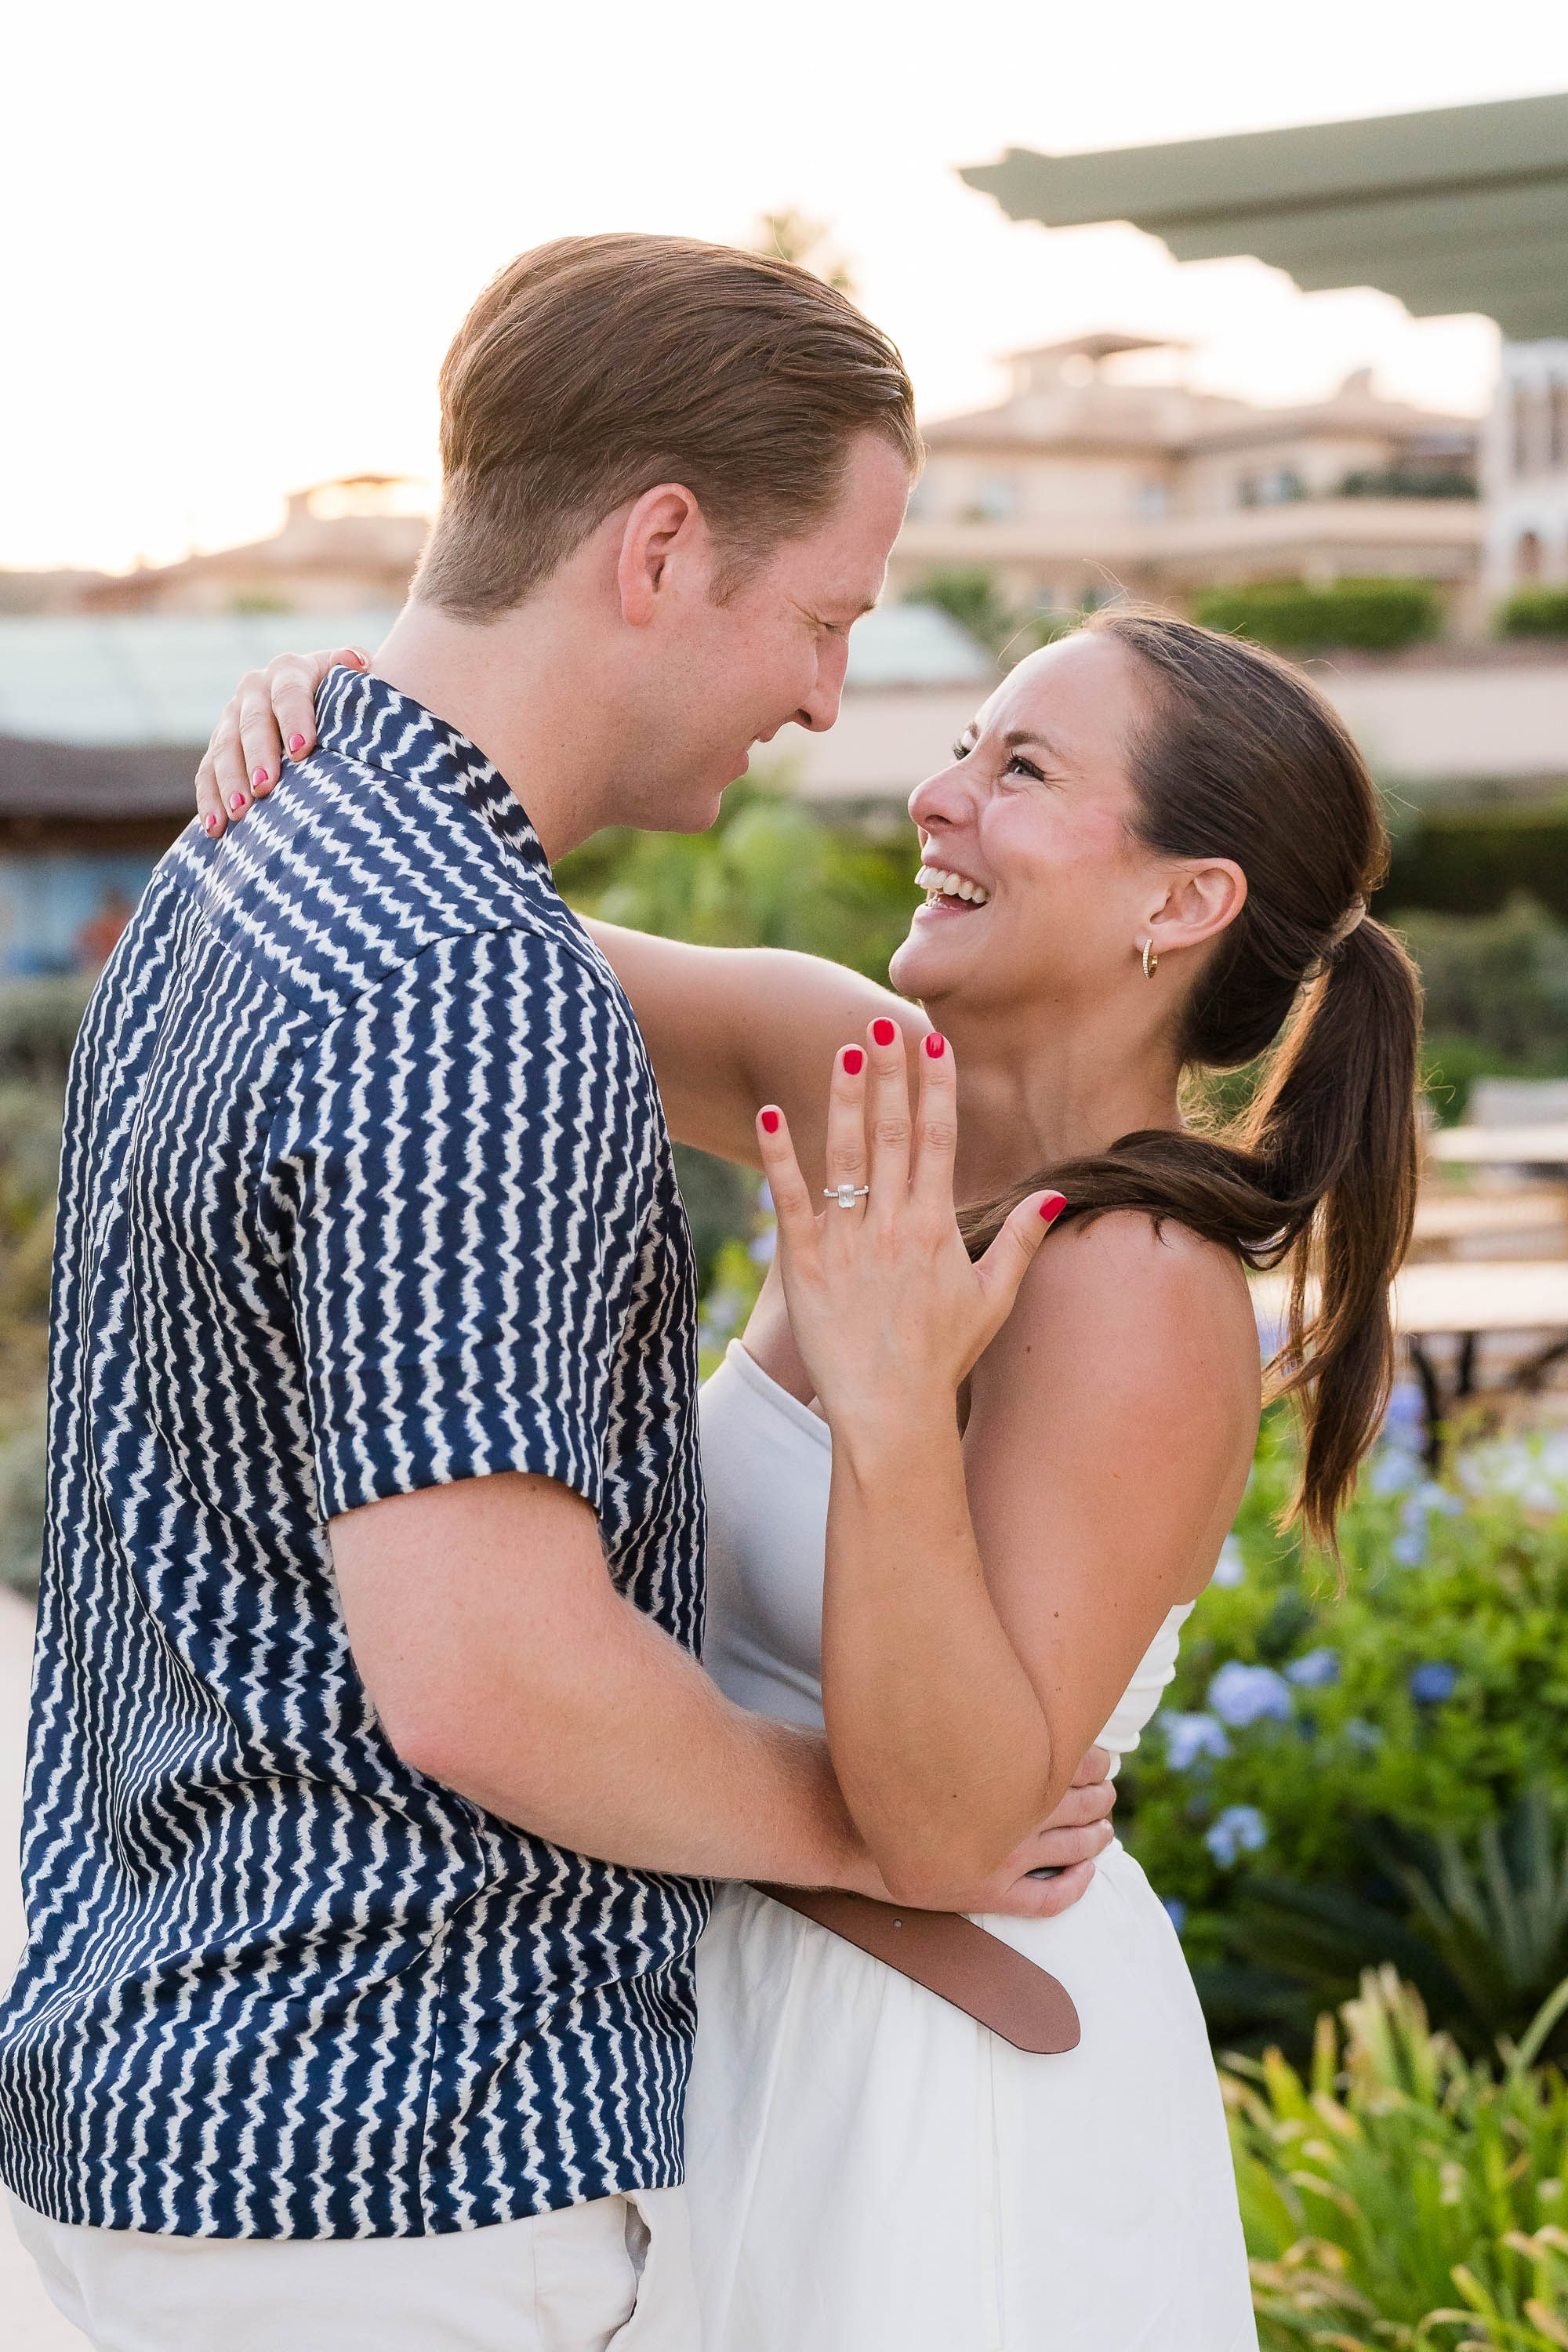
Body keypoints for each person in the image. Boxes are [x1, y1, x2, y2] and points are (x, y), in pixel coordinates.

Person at [0, 235, 1103, 2352]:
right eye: (824, 619)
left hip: (183, 2121)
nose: (823, 700)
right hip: (388, 2165)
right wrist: (889, 1835)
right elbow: (489, 1677)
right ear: (663, 546)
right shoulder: (468, 985)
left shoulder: (255, 855)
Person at [191, 586, 1422, 2347]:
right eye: (957, 751)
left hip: (929, 2082)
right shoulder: (850, 1078)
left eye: (1018, 768)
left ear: (1182, 900)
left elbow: (943, 1825)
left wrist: (892, 1410)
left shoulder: (1134, 1292)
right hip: (710, 2024)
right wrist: (334, 730)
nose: (936, 795)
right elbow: (437, 943)